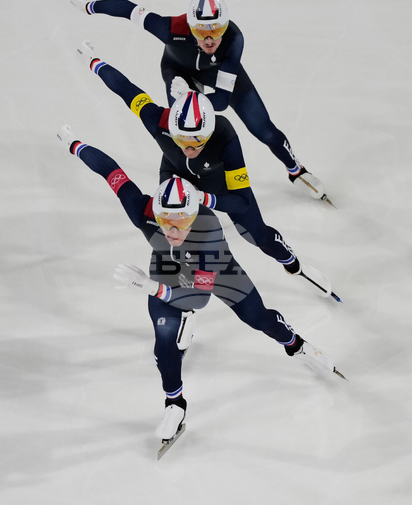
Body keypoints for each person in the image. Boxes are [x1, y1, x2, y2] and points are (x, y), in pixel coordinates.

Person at [55, 124, 342, 452]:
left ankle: (297, 345)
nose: (172, 230)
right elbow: (111, 172)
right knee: (163, 339)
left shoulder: (207, 235)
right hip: (167, 268)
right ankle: (175, 404)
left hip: (215, 273)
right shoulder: (143, 210)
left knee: (256, 317)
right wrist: (74, 143)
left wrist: (150, 287)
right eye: (166, 223)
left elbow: (199, 296)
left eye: (180, 224)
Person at [75, 41, 339, 302]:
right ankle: (182, 304)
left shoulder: (224, 135)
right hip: (176, 176)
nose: (190, 148)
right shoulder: (158, 120)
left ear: (209, 132)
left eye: (198, 142)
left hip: (218, 184)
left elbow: (242, 200)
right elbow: (127, 91)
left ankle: (293, 264)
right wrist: (94, 62)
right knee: (171, 235)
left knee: (256, 234)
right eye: (183, 141)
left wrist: (206, 198)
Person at [71, 0, 331, 205]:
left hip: (220, 75)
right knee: (187, 132)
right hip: (178, 74)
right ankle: (198, 187)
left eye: (216, 30)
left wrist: (198, 98)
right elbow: (129, 9)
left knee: (264, 130)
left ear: (225, 26)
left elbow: (222, 102)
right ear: (190, 26)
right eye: (202, 32)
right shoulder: (170, 28)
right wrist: (89, 6)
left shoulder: (234, 40)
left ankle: (296, 170)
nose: (209, 39)